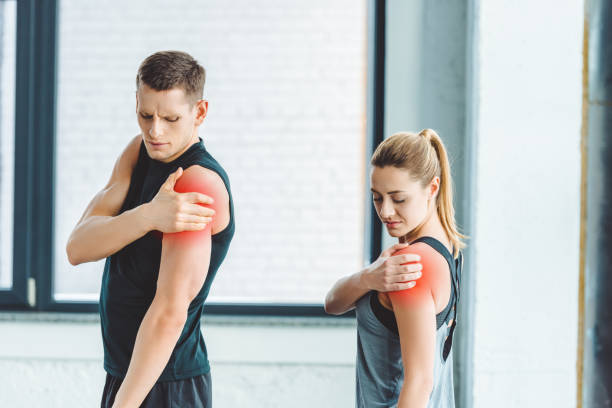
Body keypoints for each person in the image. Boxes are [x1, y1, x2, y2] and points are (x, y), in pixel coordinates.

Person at [66, 50, 234, 408]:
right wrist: (148, 217)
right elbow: (78, 247)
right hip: (127, 374)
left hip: (165, 383)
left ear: (199, 112)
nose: (155, 131)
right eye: (146, 115)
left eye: (171, 118)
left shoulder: (196, 183)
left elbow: (170, 313)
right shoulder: (138, 151)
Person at [325, 129, 465, 407]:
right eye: (377, 197)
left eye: (398, 199)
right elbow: (332, 303)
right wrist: (368, 277)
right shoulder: (444, 248)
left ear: (432, 188)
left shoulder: (413, 264)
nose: (385, 211)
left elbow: (420, 382)